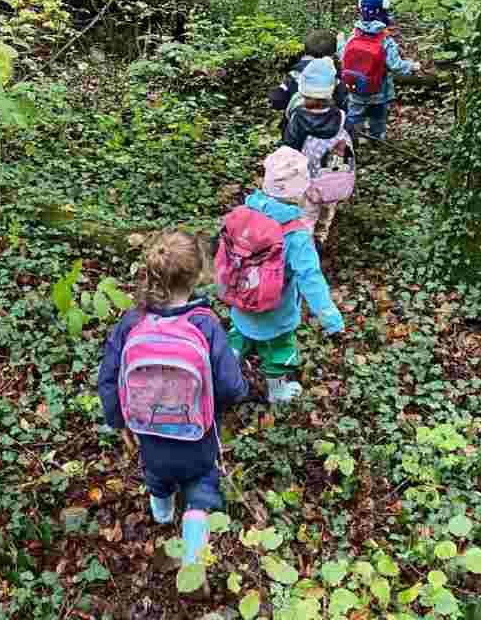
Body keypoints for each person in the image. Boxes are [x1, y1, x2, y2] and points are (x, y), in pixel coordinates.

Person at [97, 232, 247, 595]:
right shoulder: (204, 324)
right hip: (197, 432)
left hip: (148, 431)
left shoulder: (132, 322)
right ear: (196, 277)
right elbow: (228, 384)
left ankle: (161, 513)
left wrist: (119, 420)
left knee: (157, 474)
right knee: (202, 486)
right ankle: (194, 556)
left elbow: (109, 376)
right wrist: (236, 397)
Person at [220, 147, 344, 404]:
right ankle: (277, 392)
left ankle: (223, 371)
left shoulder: (245, 213)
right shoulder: (296, 235)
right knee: (279, 349)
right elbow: (310, 277)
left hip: (241, 299)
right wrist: (330, 317)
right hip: (277, 310)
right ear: (301, 190)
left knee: (238, 336)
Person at [282, 58, 355, 244]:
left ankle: (305, 243)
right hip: (333, 175)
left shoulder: (298, 118)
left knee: (307, 212)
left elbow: (291, 146)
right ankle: (321, 235)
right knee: (328, 206)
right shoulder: (341, 116)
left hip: (309, 178)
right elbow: (352, 142)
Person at [339, 0, 420, 140]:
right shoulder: (385, 40)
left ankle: (351, 139)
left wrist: (339, 41)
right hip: (378, 91)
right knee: (378, 117)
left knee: (354, 115)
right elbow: (395, 65)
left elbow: (343, 55)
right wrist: (412, 66)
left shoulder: (354, 34)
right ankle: (377, 139)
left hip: (354, 88)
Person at [270, 29, 348, 133]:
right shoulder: (335, 78)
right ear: (333, 54)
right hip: (327, 128)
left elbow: (277, 100)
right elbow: (343, 103)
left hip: (296, 127)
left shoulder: (294, 75)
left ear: (306, 51)